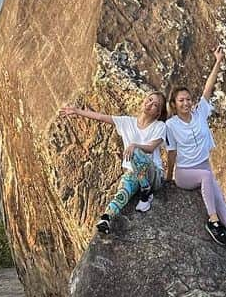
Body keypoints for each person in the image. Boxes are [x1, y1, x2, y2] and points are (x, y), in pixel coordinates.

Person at [165, 46, 226, 254]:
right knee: (206, 177)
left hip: (204, 167)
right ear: (174, 104)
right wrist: (169, 178)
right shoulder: (171, 125)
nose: (186, 103)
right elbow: (172, 152)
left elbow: (208, 89)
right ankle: (213, 221)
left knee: (220, 198)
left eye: (188, 99)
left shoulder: (200, 113)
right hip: (185, 173)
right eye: (181, 100)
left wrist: (218, 60)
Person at [60, 92, 166, 234]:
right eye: (150, 100)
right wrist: (76, 111)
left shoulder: (159, 126)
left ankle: (146, 191)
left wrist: (134, 146)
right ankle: (106, 218)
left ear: (158, 113)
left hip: (154, 176)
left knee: (134, 153)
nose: (150, 104)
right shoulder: (126, 122)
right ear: (144, 101)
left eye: (155, 105)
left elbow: (151, 148)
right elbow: (100, 117)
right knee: (124, 188)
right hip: (135, 173)